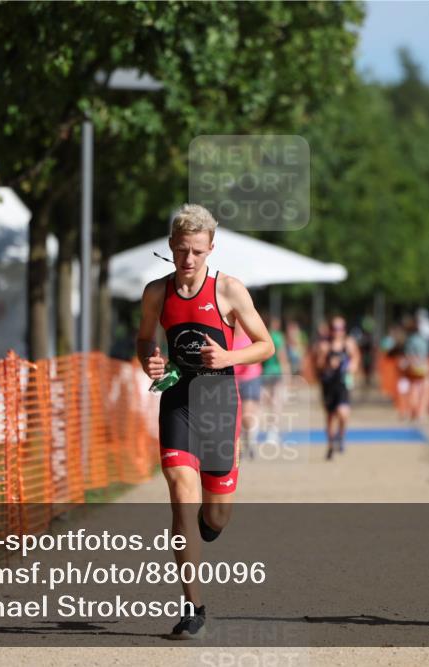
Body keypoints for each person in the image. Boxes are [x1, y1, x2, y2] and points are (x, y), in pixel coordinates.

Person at [137, 204, 274, 638]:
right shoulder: (157, 293)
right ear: (172, 249)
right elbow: (144, 339)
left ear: (211, 248)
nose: (189, 260)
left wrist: (230, 356)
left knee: (216, 517)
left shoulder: (230, 290)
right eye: (181, 251)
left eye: (197, 251)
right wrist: (150, 362)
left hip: (219, 405)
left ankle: (203, 528)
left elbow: (266, 345)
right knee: (181, 493)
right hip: (178, 400)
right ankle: (193, 605)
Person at [315, 315, 360, 459]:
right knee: (330, 416)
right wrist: (328, 364)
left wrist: (353, 367)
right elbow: (318, 365)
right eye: (335, 328)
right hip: (328, 385)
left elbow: (356, 357)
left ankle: (341, 436)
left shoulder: (349, 343)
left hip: (342, 383)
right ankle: (330, 446)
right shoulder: (324, 345)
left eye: (340, 328)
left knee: (343, 413)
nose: (337, 331)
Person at [260, 315, 291, 444]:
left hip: (265, 373)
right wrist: (287, 376)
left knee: (265, 403)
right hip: (276, 373)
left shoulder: (262, 336)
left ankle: (262, 431)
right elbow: (282, 357)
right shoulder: (278, 337)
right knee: (276, 404)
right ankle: (272, 432)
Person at [233, 326, 262, 460]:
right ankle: (242, 445)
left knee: (247, 416)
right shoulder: (228, 334)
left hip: (250, 378)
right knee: (236, 417)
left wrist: (249, 360)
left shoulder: (251, 333)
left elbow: (262, 351)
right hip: (233, 379)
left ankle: (251, 443)